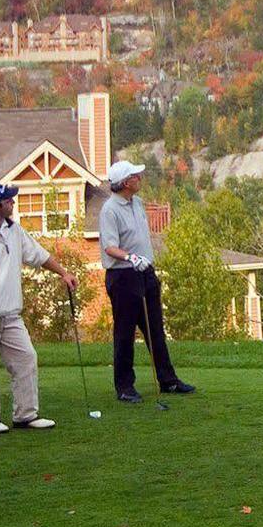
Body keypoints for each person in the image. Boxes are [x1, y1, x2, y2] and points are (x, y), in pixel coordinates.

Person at [0, 182, 79, 433]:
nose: (13, 203)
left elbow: (39, 255)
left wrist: (63, 273)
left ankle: (25, 414)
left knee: (26, 358)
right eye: (8, 200)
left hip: (11, 313)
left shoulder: (14, 230)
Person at [99, 159, 195, 404]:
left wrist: (142, 261)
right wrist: (130, 257)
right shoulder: (110, 210)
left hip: (145, 272)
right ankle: (124, 386)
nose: (139, 178)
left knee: (155, 329)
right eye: (135, 176)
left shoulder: (137, 203)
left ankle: (168, 380)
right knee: (125, 333)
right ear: (125, 183)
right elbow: (110, 247)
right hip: (123, 276)